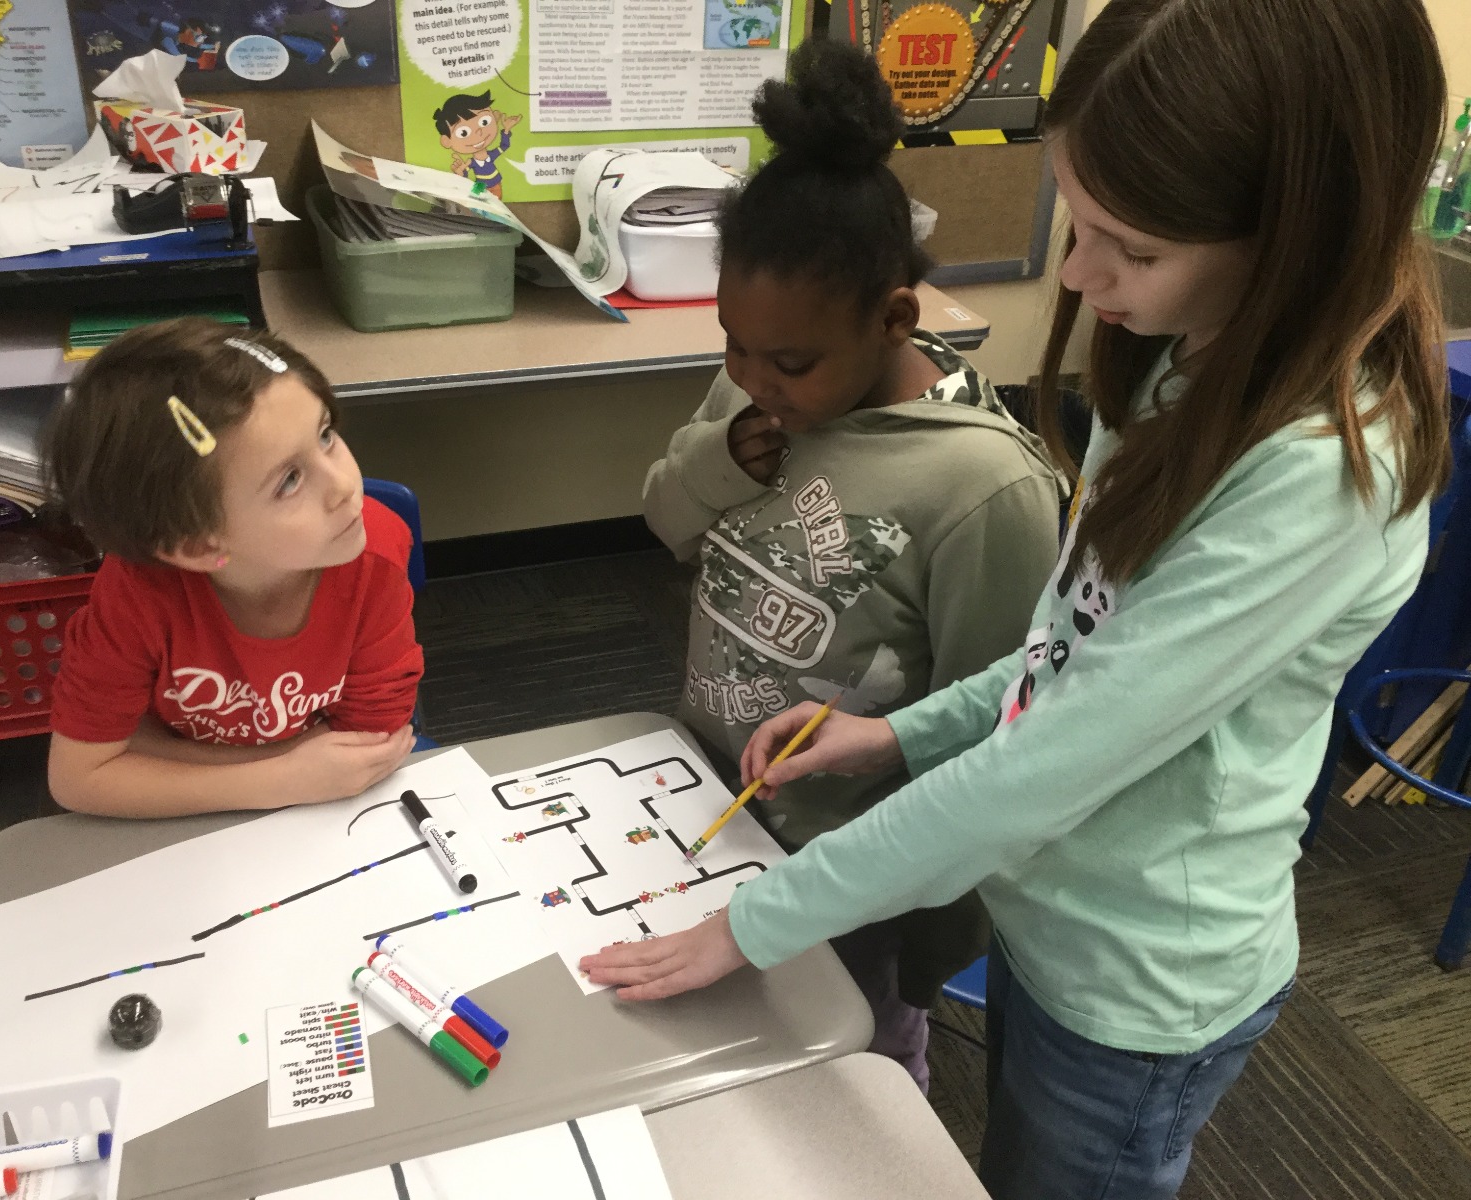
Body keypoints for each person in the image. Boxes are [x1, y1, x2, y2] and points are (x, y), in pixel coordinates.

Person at [582, 1, 1451, 1195]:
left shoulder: (1314, 477)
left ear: (1299, 235)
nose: (1079, 277)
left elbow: (1050, 764)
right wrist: (896, 730)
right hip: (1049, 920)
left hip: (1138, 979)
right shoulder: (1189, 362)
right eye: (1076, 217)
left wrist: (750, 923)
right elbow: (1071, 652)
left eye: (1129, 249)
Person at [643, 39, 1061, 1091]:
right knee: (725, 1060)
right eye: (730, 342)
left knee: (854, 1069)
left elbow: (998, 727)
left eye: (787, 361)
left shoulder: (981, 488)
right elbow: (664, 522)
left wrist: (930, 940)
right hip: (710, 803)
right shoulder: (752, 394)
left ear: (893, 318)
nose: (752, 377)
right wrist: (715, 460)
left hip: (855, 876)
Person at [42, 319, 423, 819]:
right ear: (198, 546)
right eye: (289, 480)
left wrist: (148, 749)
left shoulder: (373, 552)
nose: (345, 486)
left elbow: (367, 748)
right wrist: (281, 775)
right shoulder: (138, 594)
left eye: (325, 434)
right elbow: (77, 779)